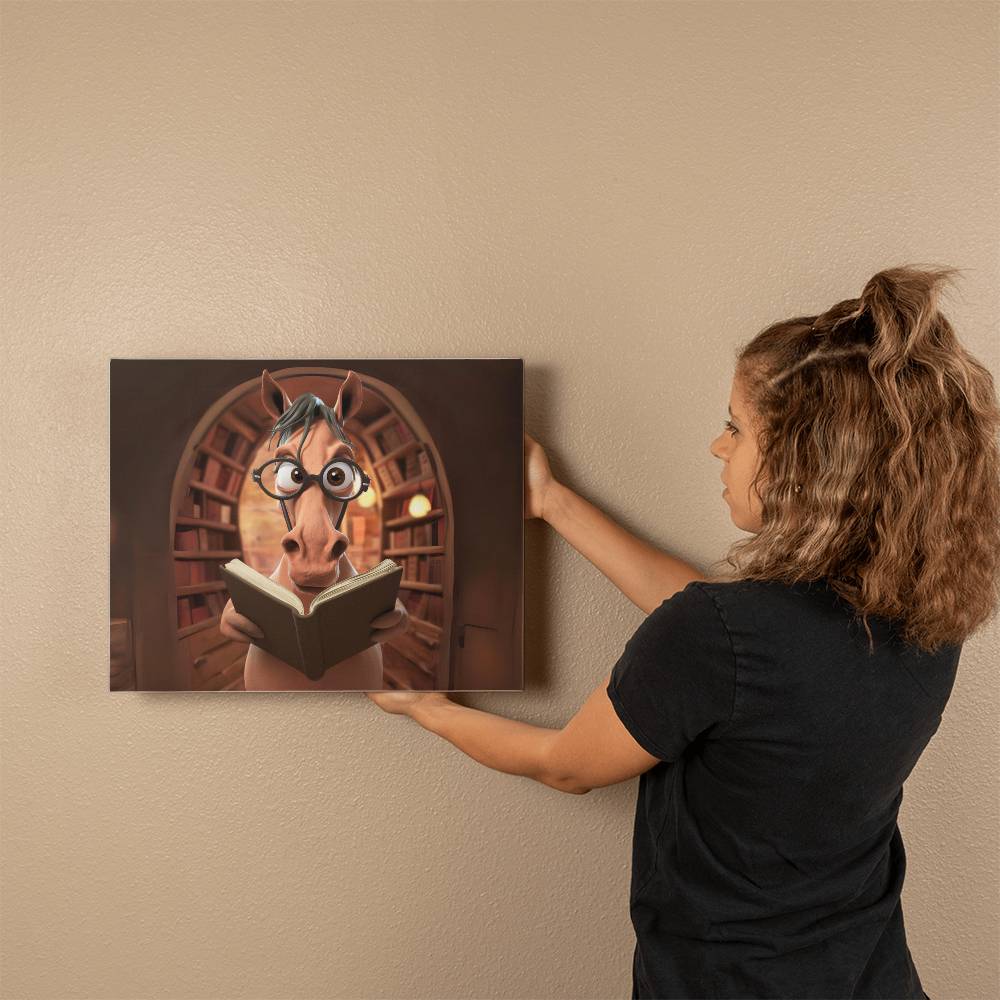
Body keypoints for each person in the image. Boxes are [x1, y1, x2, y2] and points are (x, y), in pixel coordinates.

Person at [366, 265, 1000, 999]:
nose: (717, 448)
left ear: (806, 464)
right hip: (869, 975)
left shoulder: (726, 635)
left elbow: (567, 764)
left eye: (736, 427)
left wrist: (428, 708)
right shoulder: (927, 611)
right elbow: (727, 636)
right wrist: (551, 501)